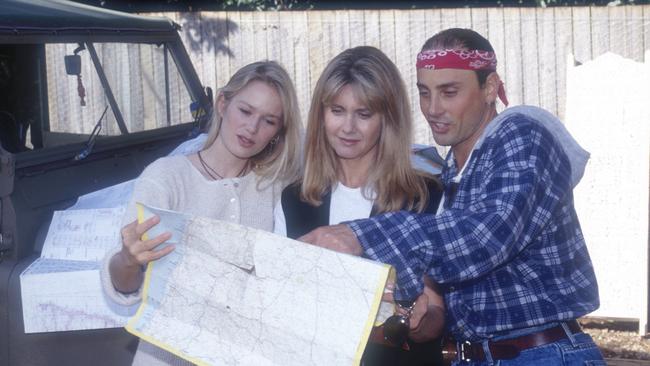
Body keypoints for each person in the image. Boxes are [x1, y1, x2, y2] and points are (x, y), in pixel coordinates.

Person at [300, 29, 604, 365]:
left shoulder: (522, 135)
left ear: (489, 87)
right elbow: (441, 277)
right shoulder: (450, 171)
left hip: (540, 353)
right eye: (424, 93)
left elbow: (483, 236)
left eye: (449, 92)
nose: (433, 109)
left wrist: (360, 234)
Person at [100, 60, 303, 366]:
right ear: (223, 103)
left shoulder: (277, 187)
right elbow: (124, 287)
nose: (252, 128)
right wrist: (127, 260)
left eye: (269, 120)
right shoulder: (166, 178)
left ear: (278, 132)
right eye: (245, 111)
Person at [274, 46, 445, 365]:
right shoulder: (293, 199)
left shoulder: (427, 197)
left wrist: (416, 319)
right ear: (321, 115)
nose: (348, 127)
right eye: (337, 110)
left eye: (364, 114)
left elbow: (436, 316)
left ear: (388, 119)